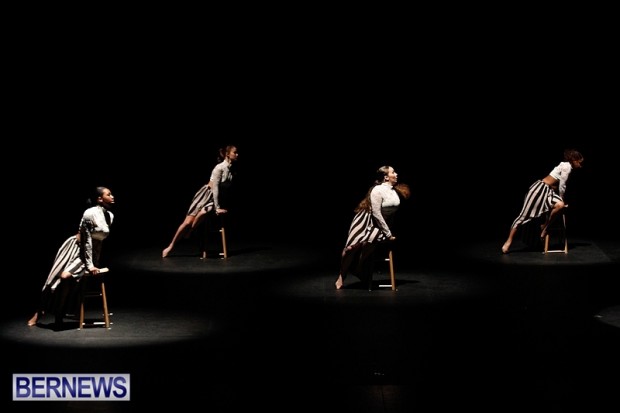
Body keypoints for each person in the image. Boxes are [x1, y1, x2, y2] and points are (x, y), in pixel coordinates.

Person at [28, 186, 115, 327]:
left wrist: (94, 261)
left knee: (67, 280)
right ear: (100, 198)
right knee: (55, 278)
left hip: (91, 253)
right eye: (109, 194)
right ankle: (39, 311)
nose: (112, 196)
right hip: (75, 249)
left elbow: (99, 240)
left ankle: (59, 314)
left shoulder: (110, 216)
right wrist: (90, 265)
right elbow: (86, 241)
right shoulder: (89, 213)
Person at [335, 166, 410, 289]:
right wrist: (388, 233)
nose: (396, 174)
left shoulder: (395, 192)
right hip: (366, 219)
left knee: (369, 243)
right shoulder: (377, 190)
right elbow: (376, 213)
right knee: (350, 248)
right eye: (393, 172)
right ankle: (342, 275)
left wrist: (388, 229)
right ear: (386, 177)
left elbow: (391, 213)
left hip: (381, 223)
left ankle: (358, 269)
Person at [162, 145, 239, 258]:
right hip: (206, 195)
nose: (237, 154)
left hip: (216, 198)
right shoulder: (219, 168)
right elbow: (215, 188)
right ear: (227, 154)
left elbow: (225, 190)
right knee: (187, 222)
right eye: (235, 152)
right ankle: (171, 246)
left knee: (205, 211)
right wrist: (217, 207)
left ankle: (190, 231)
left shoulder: (232, 170)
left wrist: (220, 204)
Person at [501, 148, 584, 254]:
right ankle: (508, 241)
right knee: (523, 216)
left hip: (548, 192)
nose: (580, 166)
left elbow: (557, 185)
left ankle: (545, 228)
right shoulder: (567, 167)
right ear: (574, 160)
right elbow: (562, 186)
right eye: (580, 163)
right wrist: (562, 197)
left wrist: (562, 200)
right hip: (540, 189)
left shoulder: (565, 166)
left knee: (560, 205)